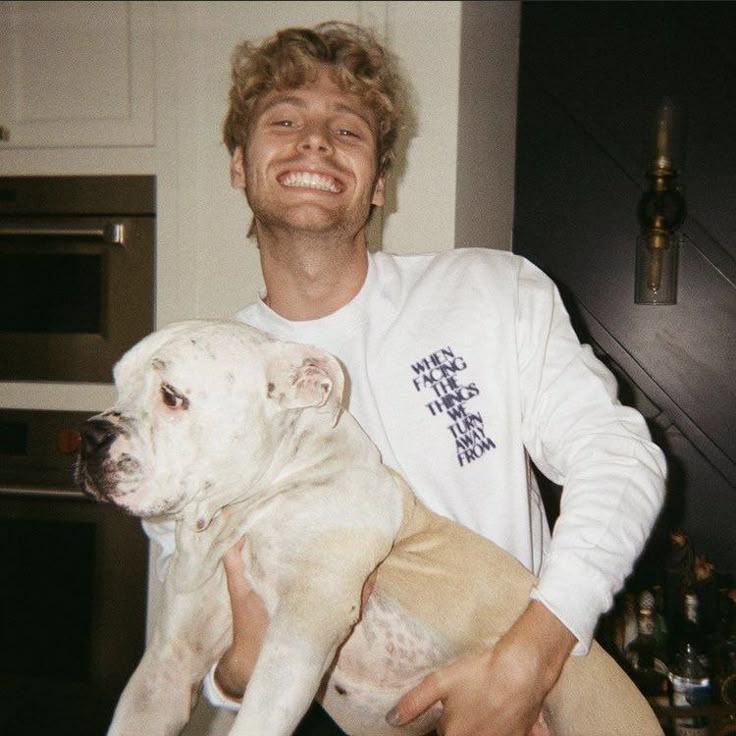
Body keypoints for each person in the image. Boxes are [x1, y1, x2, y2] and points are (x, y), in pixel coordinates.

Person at [149, 21, 667, 736]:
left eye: (348, 130)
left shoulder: (492, 290)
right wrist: (236, 672)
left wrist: (528, 663)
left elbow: (619, 456)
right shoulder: (194, 383)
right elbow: (197, 633)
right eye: (285, 120)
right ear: (240, 162)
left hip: (528, 701)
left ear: (380, 185)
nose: (315, 140)